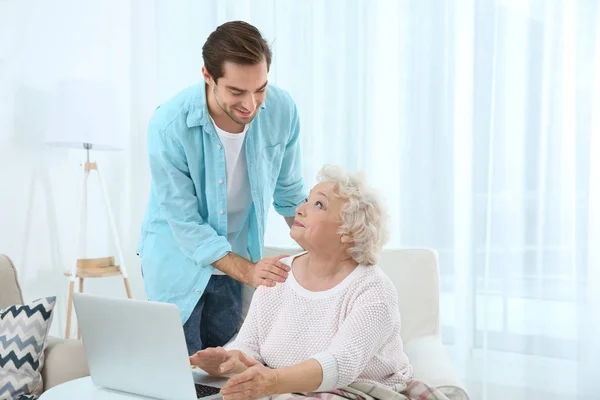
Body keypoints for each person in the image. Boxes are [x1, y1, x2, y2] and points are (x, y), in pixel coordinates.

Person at [137, 20, 307, 356]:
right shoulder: (169, 126)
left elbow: (289, 192)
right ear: (207, 76)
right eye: (236, 91)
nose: (250, 104)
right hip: (176, 258)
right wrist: (250, 272)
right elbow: (185, 225)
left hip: (236, 254)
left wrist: (322, 250)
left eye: (260, 88)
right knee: (180, 373)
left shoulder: (281, 110)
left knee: (223, 375)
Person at [190, 165, 414, 399]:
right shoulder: (279, 272)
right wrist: (231, 360)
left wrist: (274, 382)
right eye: (306, 200)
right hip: (284, 389)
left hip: (356, 391)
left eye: (319, 204)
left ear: (350, 231)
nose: (299, 209)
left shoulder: (373, 289)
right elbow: (249, 345)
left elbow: (342, 363)